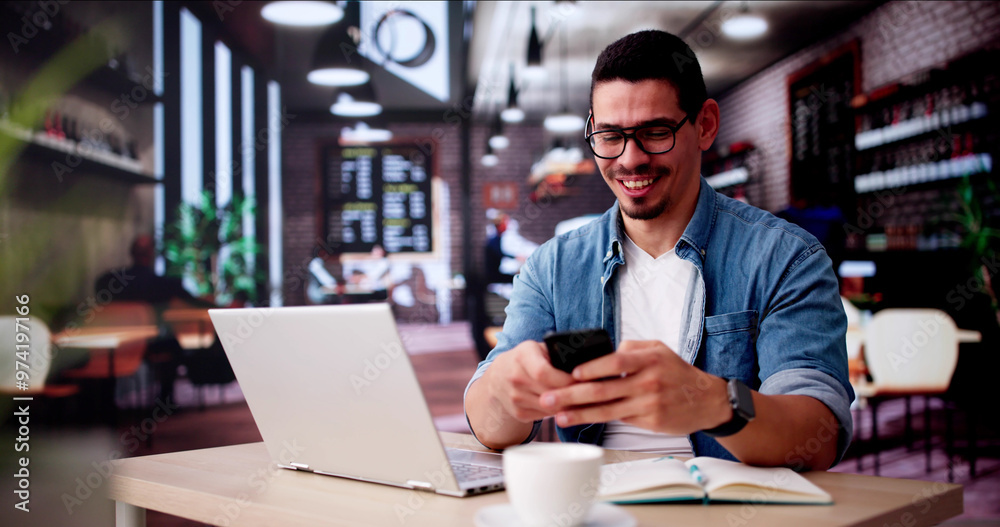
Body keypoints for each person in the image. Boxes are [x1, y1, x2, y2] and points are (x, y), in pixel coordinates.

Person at [464, 30, 854, 470]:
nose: (630, 159)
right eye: (610, 136)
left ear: (704, 124)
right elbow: (490, 428)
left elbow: (817, 435)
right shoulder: (554, 267)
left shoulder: (785, 258)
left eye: (655, 132)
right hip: (594, 509)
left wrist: (716, 403)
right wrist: (503, 390)